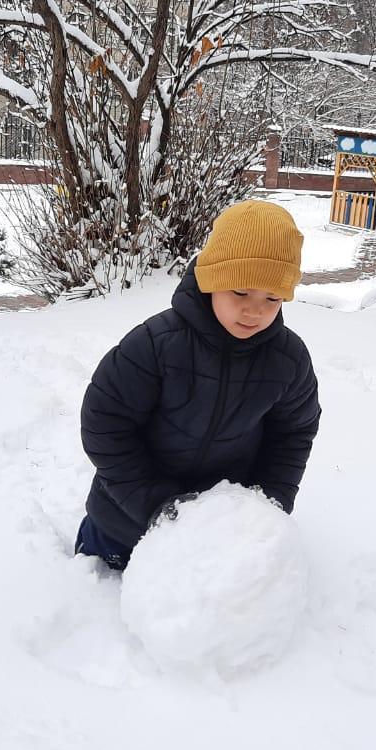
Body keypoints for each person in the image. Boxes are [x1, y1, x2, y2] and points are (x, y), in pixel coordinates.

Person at [76, 200, 322, 570]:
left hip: (217, 532)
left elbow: (293, 435)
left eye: (272, 298)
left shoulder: (288, 360)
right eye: (240, 292)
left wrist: (266, 507)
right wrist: (152, 504)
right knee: (94, 598)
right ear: (211, 281)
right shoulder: (155, 344)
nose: (254, 310)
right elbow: (105, 424)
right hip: (125, 522)